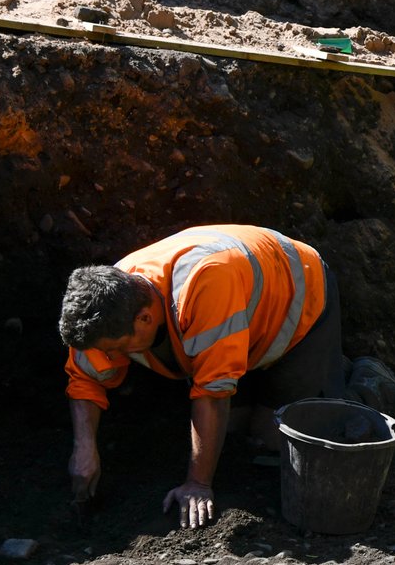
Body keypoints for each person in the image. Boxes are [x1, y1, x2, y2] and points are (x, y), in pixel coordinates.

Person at [61, 224, 345, 529]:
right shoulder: (106, 304)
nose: (112, 357)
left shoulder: (204, 285)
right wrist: (84, 449)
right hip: (236, 322)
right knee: (232, 434)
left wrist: (197, 484)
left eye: (116, 349)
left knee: (274, 440)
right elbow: (86, 378)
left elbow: (212, 393)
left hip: (297, 301)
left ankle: (365, 381)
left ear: (144, 318)